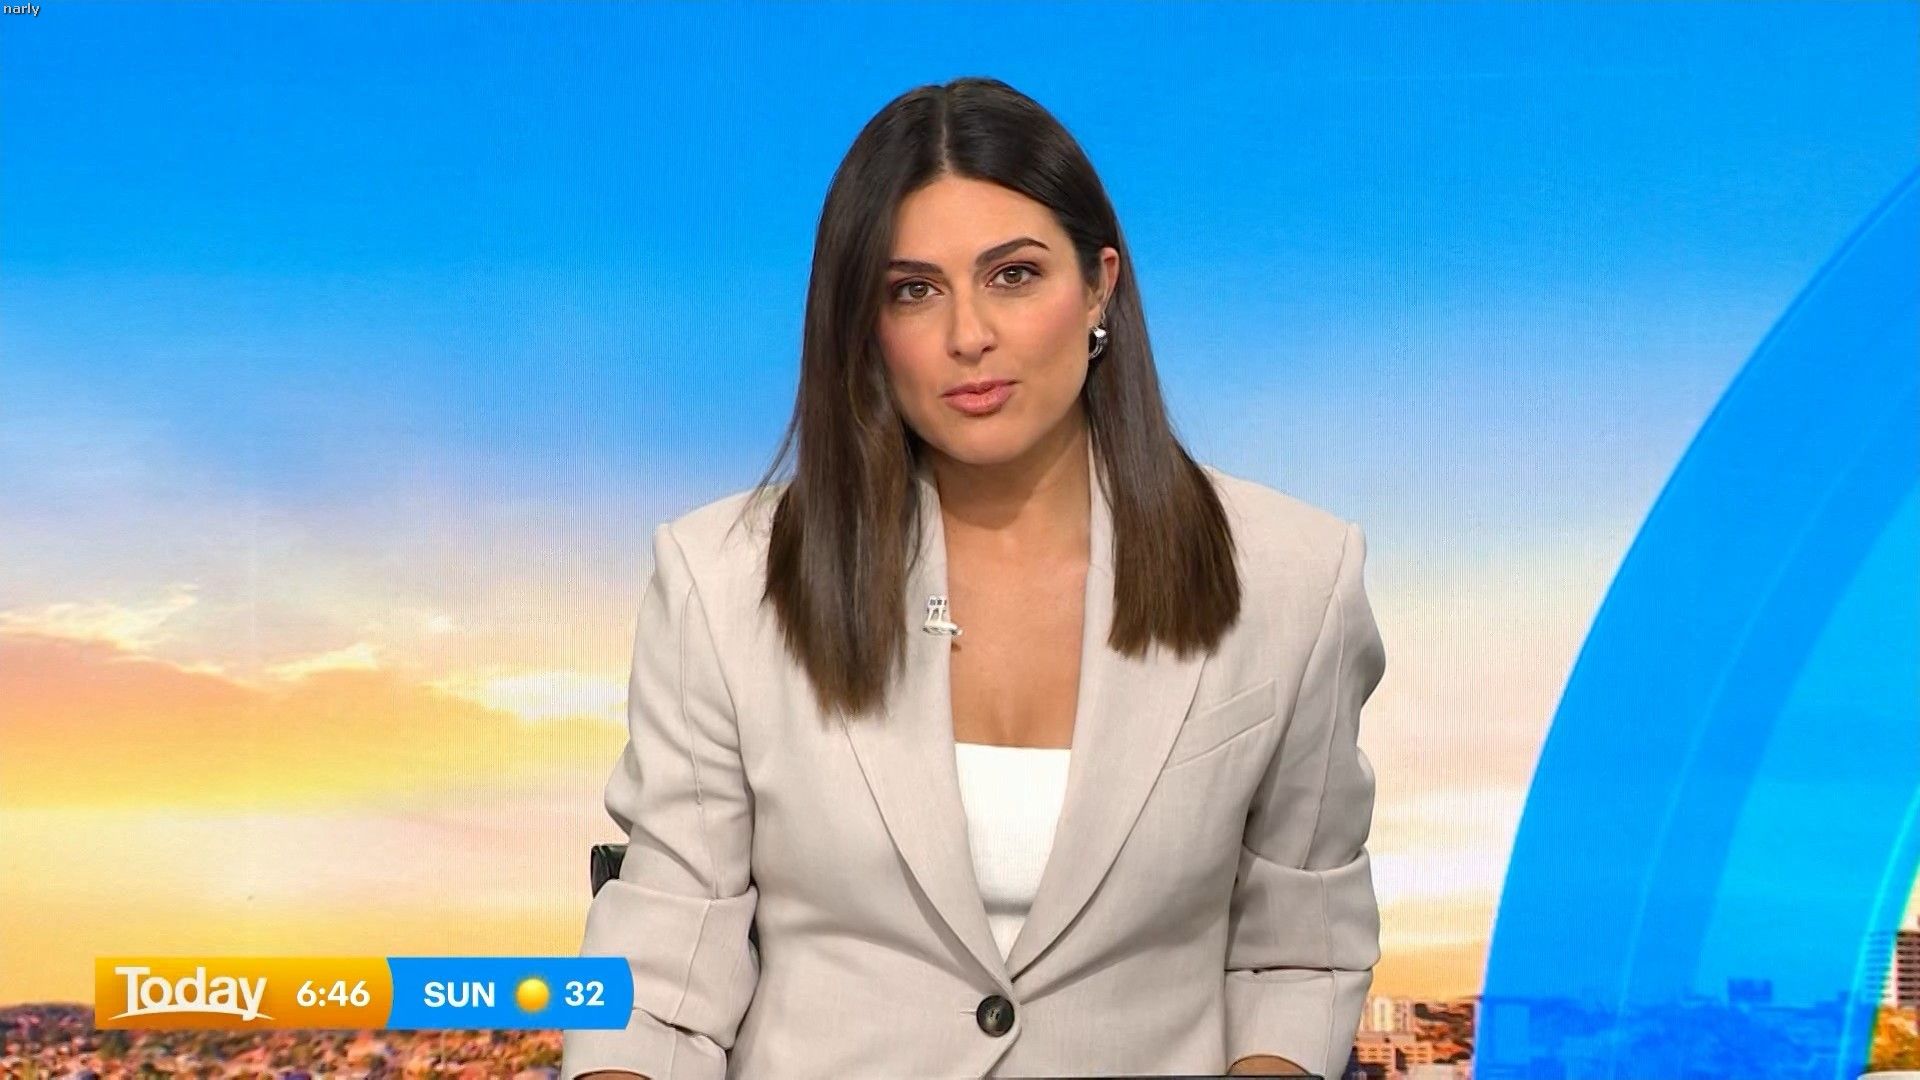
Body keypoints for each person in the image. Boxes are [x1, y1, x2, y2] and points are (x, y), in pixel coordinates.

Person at [565, 76, 1385, 1080]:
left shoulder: (1296, 577)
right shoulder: (722, 582)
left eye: (1014, 275)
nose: (968, 335)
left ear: (1100, 287)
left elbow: (1296, 957)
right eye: (913, 290)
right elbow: (662, 970)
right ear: (865, 326)